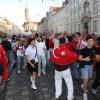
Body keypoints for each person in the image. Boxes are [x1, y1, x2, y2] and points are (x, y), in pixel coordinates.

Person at [79, 35, 95, 100]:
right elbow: (79, 58)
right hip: (84, 66)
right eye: (89, 41)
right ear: (87, 42)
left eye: (92, 41)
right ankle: (84, 93)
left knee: (89, 79)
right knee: (85, 80)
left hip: (91, 66)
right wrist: (85, 59)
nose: (91, 42)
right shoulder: (83, 50)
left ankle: (83, 86)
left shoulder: (94, 48)